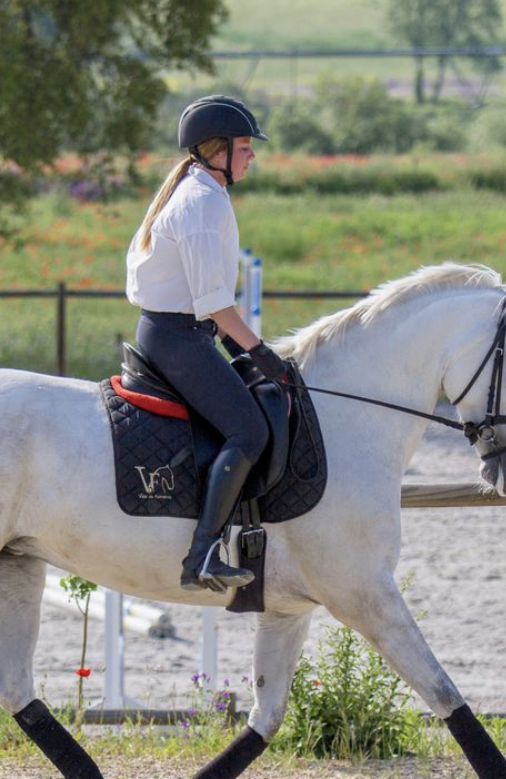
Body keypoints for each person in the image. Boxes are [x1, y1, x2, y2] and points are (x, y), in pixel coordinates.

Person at [126, 95, 290, 593]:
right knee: (249, 430)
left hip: (177, 334)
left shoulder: (203, 192)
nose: (252, 156)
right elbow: (215, 306)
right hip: (180, 338)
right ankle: (202, 555)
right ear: (217, 151)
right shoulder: (201, 203)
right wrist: (262, 354)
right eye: (244, 146)